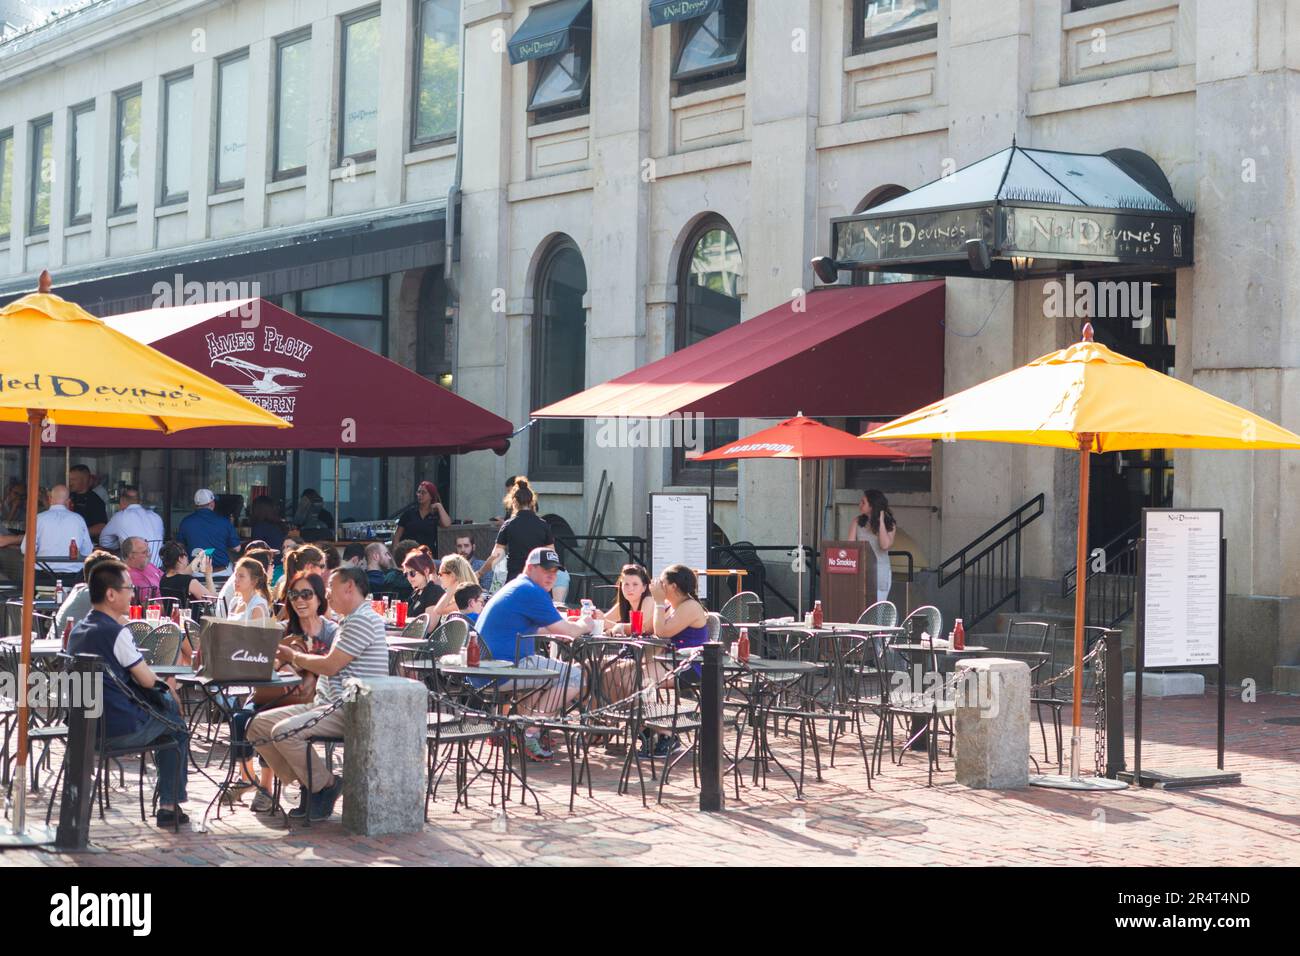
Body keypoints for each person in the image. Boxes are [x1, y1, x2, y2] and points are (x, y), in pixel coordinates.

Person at [251, 566, 388, 820]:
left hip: (349, 708)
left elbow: (330, 664)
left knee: (283, 732)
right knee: (257, 726)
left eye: (331, 588)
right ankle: (314, 783)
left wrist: (294, 656)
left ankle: (323, 786)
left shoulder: (362, 620)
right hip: (325, 703)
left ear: (349, 587)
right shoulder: (350, 619)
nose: (327, 595)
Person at [67, 559, 191, 827]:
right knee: (177, 726)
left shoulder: (77, 631)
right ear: (111, 594)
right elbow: (147, 680)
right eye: (129, 588)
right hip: (118, 730)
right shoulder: (115, 633)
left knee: (168, 720)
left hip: (83, 731)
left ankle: (169, 802)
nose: (133, 593)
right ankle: (169, 806)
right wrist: (170, 691)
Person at [230, 571, 337, 813]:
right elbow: (257, 661)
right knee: (242, 719)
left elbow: (333, 668)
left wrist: (298, 659)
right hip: (271, 693)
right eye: (294, 594)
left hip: (309, 699)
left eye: (306, 594)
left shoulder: (331, 633)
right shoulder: (281, 629)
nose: (300, 600)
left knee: (266, 723)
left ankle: (271, 788)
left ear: (319, 598)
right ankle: (258, 779)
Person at [473, 546, 594, 758]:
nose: (552, 576)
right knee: (576, 676)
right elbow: (570, 633)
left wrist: (567, 624)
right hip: (503, 669)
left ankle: (520, 729)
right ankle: (529, 733)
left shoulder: (519, 586)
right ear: (530, 568)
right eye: (546, 569)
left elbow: (538, 627)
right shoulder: (532, 591)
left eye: (555, 571)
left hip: (486, 669)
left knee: (548, 676)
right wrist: (585, 624)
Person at [642, 564, 711, 757]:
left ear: (672, 586)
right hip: (670, 662)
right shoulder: (672, 606)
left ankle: (665, 734)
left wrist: (657, 602)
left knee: (640, 680)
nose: (657, 585)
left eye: (662, 582)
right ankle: (649, 728)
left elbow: (662, 632)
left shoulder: (690, 606)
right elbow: (648, 628)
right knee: (624, 674)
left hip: (689, 666)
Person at [477, 478, 552, 585]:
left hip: (515, 580)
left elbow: (496, 556)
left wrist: (480, 573)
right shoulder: (544, 525)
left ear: (514, 502)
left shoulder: (509, 525)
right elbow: (551, 555)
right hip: (538, 581)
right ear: (532, 502)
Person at [23, 484, 93, 584]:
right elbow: (87, 551)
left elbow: (26, 549)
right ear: (68, 501)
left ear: (50, 498)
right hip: (73, 577)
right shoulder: (78, 519)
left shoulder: (38, 519)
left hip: (42, 577)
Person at [47, 549, 117, 641]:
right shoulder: (91, 594)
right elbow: (121, 622)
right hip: (61, 652)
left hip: (58, 648)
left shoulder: (80, 589)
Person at [177, 489, 241, 576]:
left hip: (196, 574)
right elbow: (237, 548)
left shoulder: (186, 522)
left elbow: (179, 547)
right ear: (212, 504)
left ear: (195, 505)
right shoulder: (224, 521)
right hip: (221, 573)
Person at [97, 485, 164, 565]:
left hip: (135, 570)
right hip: (158, 570)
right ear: (140, 502)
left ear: (122, 501)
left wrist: (122, 544)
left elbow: (104, 541)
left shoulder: (121, 516)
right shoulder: (156, 517)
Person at [854, 488, 896, 606]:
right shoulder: (857, 522)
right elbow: (850, 546)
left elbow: (885, 545)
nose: (860, 505)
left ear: (872, 506)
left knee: (878, 606)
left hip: (880, 571)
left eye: (863, 502)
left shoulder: (889, 524)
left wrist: (881, 522)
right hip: (862, 570)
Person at [393, 480, 452, 552]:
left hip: (427, 554)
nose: (419, 495)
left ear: (431, 496)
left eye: (423, 493)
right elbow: (397, 535)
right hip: (409, 553)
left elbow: (447, 524)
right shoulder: (409, 513)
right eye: (418, 492)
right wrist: (395, 553)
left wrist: (439, 506)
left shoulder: (434, 514)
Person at [158, 541, 217, 607]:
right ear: (180, 559)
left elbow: (182, 574)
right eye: (186, 555)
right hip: (191, 616)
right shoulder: (188, 581)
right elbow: (211, 600)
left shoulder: (163, 579)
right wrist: (208, 574)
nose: (187, 558)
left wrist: (199, 558)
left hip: (171, 616)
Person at [426, 554, 478, 626]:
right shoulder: (454, 596)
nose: (439, 577)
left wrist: (451, 589)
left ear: (452, 575)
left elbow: (438, 610)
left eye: (440, 574)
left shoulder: (464, 598)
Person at [605, 564, 656, 635]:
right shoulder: (624, 604)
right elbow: (604, 620)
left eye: (635, 584)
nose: (630, 589)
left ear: (644, 587)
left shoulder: (648, 600)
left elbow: (642, 628)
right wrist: (596, 616)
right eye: (626, 584)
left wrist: (617, 627)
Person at [400, 546, 444, 623]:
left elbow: (429, 626)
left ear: (426, 571)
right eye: (406, 574)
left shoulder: (434, 592)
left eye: (412, 573)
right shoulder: (416, 592)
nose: (409, 578)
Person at [227, 555, 272, 623]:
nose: (236, 580)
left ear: (254, 581)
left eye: (241, 576)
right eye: (236, 575)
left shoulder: (258, 606)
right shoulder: (234, 602)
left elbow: (257, 633)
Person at [67, 464, 108, 537]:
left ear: (84, 480)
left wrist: (79, 532)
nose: (70, 483)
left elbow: (101, 527)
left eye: (73, 480)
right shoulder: (68, 496)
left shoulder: (95, 501)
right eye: (69, 479)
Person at [121, 536, 163, 602]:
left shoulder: (148, 565)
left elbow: (166, 580)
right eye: (144, 552)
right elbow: (147, 606)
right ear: (131, 555)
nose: (149, 554)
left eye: (148, 550)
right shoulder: (130, 576)